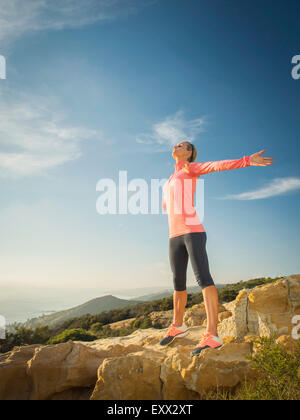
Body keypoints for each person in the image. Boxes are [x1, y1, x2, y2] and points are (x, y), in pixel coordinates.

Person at [160, 142, 274, 356]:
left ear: (189, 154)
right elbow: (168, 205)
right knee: (178, 282)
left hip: (192, 231)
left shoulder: (189, 168)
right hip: (174, 235)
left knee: (203, 278)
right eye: (177, 144)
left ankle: (212, 334)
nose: (177, 145)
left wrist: (247, 161)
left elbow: (216, 166)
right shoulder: (170, 178)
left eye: (183, 145)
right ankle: (178, 325)